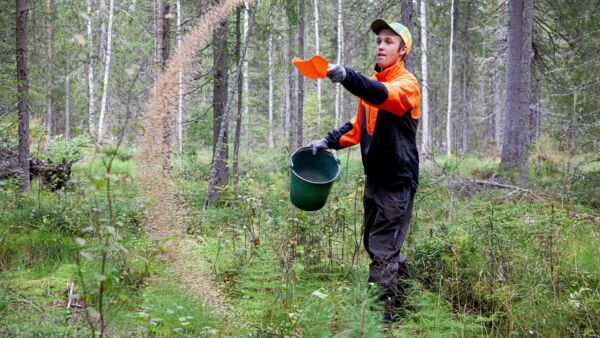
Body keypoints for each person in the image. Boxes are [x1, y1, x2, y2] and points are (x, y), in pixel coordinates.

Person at [308, 19, 421, 321]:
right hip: (376, 183)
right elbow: (358, 127)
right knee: (378, 246)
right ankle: (411, 305)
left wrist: (347, 76)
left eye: (388, 41)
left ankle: (379, 321)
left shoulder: (406, 86)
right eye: (379, 41)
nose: (381, 46)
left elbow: (384, 96)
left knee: (383, 251)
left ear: (402, 50)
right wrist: (328, 141)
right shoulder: (372, 88)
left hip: (397, 184)